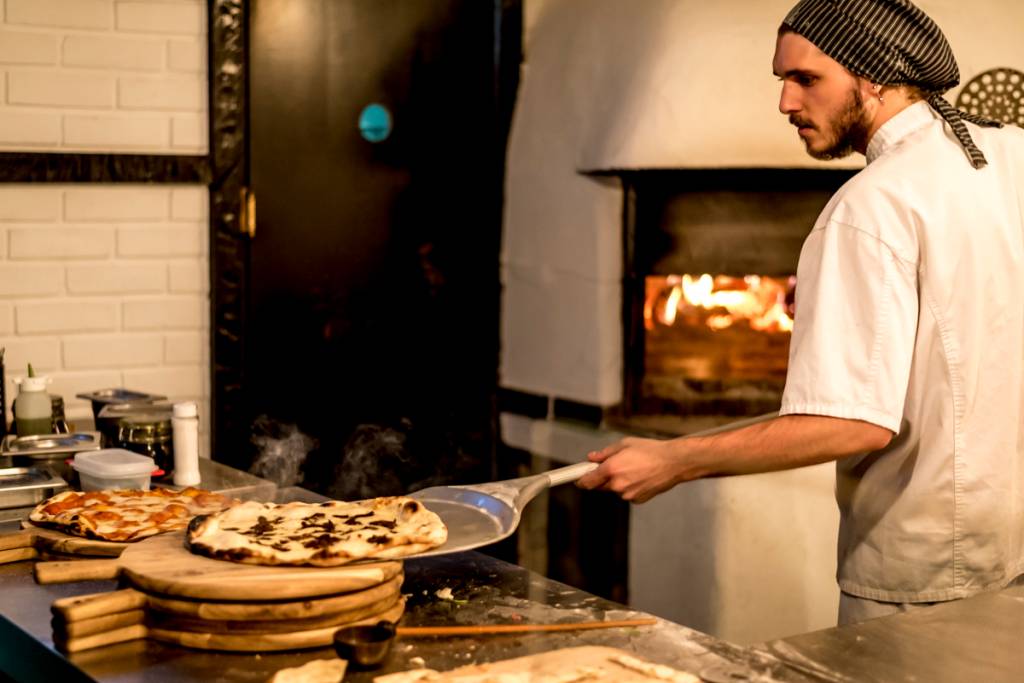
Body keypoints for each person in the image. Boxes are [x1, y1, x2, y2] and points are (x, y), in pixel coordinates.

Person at [578, 0, 1024, 625]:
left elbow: (854, 425)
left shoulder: (871, 205)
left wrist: (674, 460)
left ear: (876, 76)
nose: (786, 103)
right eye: (782, 79)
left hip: (923, 570)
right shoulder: (1011, 155)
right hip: (1010, 545)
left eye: (807, 79)